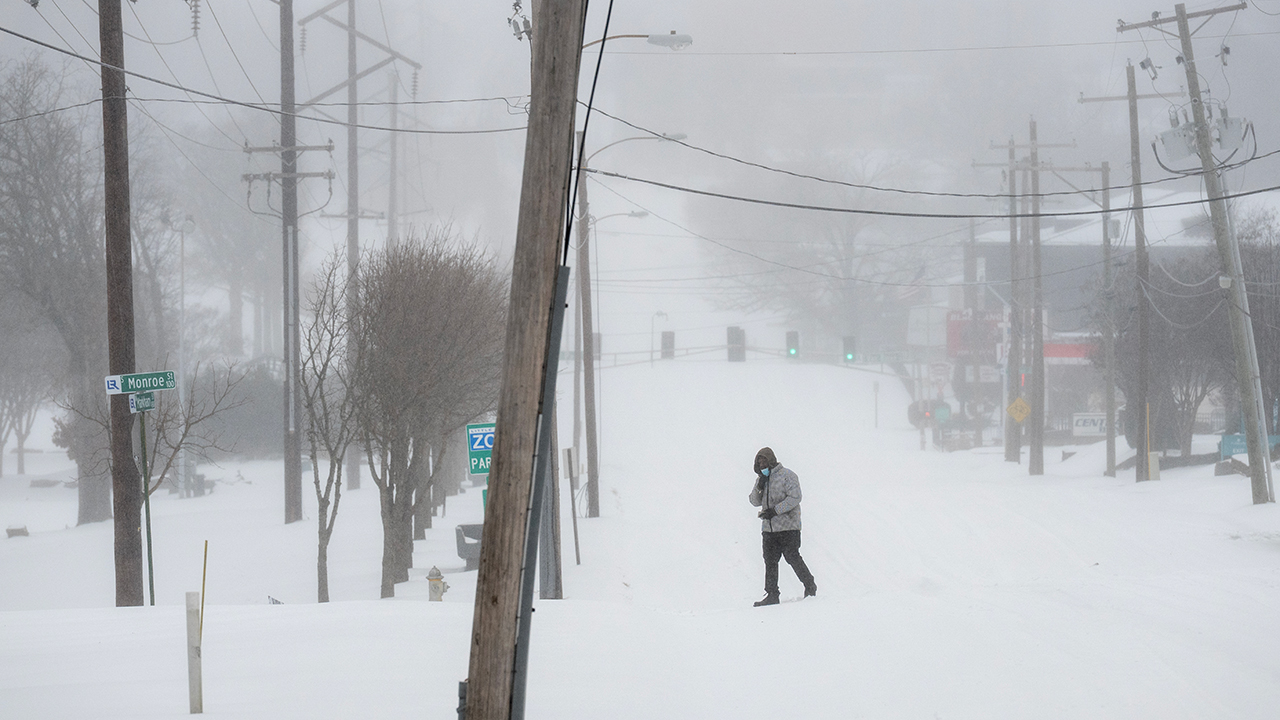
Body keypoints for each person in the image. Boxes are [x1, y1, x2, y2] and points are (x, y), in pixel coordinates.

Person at [748, 446, 817, 607]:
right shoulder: (761, 479)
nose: (762, 465)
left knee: (792, 556)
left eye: (764, 461)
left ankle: (809, 585)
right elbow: (754, 501)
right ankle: (772, 594)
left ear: (771, 460)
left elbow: (795, 497)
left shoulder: (787, 476)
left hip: (788, 527)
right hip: (769, 529)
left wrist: (775, 510)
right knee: (770, 560)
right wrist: (759, 487)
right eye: (759, 462)